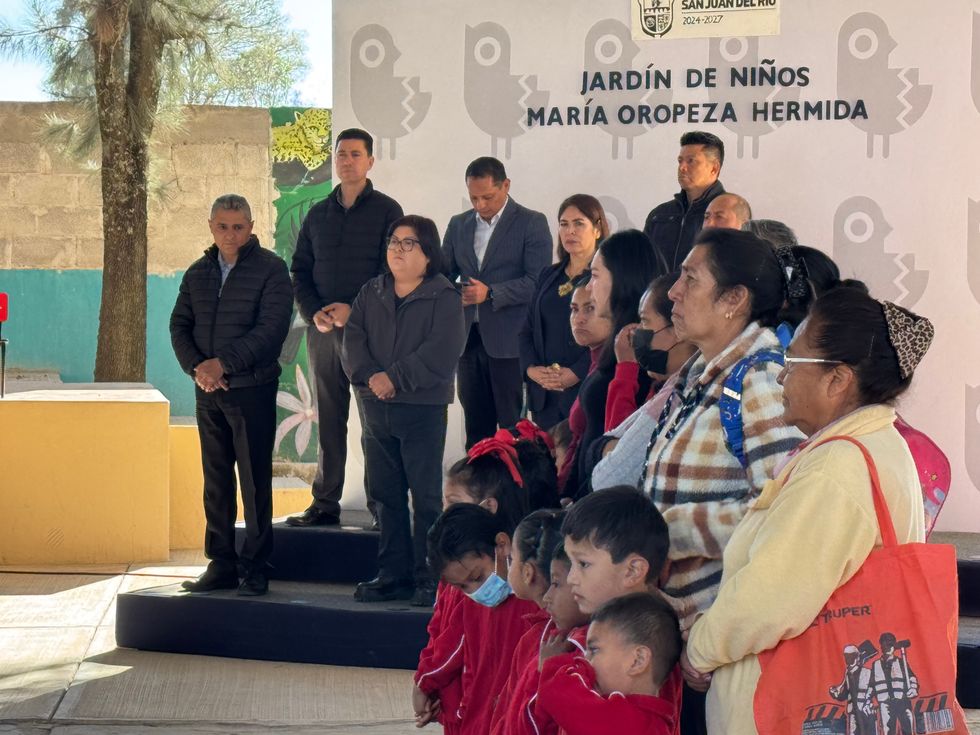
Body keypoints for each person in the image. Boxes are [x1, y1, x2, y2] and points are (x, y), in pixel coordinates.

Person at [682, 286, 933, 735]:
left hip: (793, 711)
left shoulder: (836, 468)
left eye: (791, 362)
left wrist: (700, 649)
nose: (780, 377)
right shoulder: (869, 445)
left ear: (837, 380)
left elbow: (770, 598)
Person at [641, 228, 811, 734]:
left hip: (718, 644)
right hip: (684, 633)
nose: (673, 290)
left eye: (690, 278)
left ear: (734, 300)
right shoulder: (704, 370)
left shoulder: (759, 381)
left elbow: (779, 512)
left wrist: (669, 529)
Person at [170, 194, 292, 596]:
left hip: (251, 391)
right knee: (216, 481)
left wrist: (223, 364)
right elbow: (179, 326)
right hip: (209, 393)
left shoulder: (272, 270)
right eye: (223, 226)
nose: (230, 234)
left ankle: (256, 567)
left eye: (238, 226)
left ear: (251, 227)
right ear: (211, 226)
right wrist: (200, 369)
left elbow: (270, 330)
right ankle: (221, 563)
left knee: (255, 482)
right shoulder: (197, 273)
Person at [341, 215, 465, 605]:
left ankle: (429, 578)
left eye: (408, 243)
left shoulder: (444, 296)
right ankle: (392, 574)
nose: (397, 249)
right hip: (375, 407)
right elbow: (352, 343)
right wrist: (373, 377)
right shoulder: (370, 292)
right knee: (385, 495)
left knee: (426, 497)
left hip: (422, 408)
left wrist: (394, 377)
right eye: (394, 241)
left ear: (428, 254)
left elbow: (442, 352)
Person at [287, 128, 404, 528]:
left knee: (375, 422)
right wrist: (315, 310)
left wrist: (354, 311)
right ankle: (324, 503)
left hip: (369, 334)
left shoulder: (389, 211)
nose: (347, 161)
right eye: (341, 154)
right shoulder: (317, 214)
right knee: (329, 418)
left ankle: (382, 507)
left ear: (370, 161)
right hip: (322, 333)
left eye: (356, 154)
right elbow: (299, 269)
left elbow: (393, 271)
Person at [414, 432, 537, 733]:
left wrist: (426, 680)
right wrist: (429, 681)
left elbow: (451, 644)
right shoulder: (461, 570)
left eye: (455, 504)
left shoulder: (534, 589)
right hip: (470, 709)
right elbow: (440, 634)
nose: (472, 592)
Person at [442, 157, 552, 448]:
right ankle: (477, 488)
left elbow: (537, 283)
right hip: (468, 340)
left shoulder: (532, 222)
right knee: (475, 427)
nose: (480, 204)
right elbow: (442, 277)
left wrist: (491, 293)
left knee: (512, 428)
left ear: (506, 185)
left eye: (488, 197)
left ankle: (513, 490)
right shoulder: (458, 225)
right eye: (474, 197)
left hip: (511, 341)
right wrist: (455, 292)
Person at [424, 503, 541, 735]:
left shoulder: (536, 600)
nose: (474, 591)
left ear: (502, 545)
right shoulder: (469, 603)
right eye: (462, 586)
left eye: (477, 577)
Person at [561, 230, 659, 499]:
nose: (589, 288)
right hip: (587, 497)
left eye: (594, 276)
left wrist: (626, 368)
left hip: (606, 501)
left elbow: (624, 442)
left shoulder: (638, 346)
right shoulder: (615, 343)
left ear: (620, 278)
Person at [590, 272, 697, 491]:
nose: (638, 332)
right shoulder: (662, 385)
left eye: (645, 321)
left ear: (677, 327)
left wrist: (626, 370)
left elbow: (611, 474)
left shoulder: (678, 394)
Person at [536, 592, 684, 735]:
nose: (584, 659)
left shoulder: (630, 724)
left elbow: (556, 691)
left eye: (594, 650)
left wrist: (554, 664)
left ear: (637, 661)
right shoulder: (645, 721)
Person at [520, 194, 609, 429]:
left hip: (587, 389)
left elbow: (613, 332)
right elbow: (527, 329)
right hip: (545, 395)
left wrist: (577, 372)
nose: (570, 231)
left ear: (597, 229)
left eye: (579, 223)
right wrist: (531, 369)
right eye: (564, 224)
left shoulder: (606, 278)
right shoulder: (548, 275)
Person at [491, 509, 566, 735]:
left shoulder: (549, 640)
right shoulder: (538, 633)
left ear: (527, 572)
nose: (508, 566)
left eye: (512, 559)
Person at [643, 131, 727, 274]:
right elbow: (642, 265)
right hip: (659, 295)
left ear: (714, 168)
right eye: (680, 161)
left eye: (691, 161)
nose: (682, 167)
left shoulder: (728, 213)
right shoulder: (660, 215)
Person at [557, 285, 613, 498]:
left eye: (590, 308)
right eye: (574, 309)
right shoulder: (595, 361)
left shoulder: (612, 371)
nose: (578, 319)